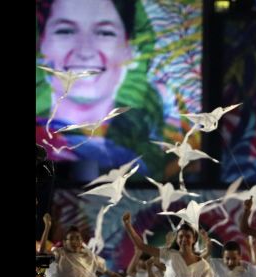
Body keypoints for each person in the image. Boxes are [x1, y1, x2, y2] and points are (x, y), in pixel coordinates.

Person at [35, 0, 171, 180]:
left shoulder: (170, 147)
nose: (85, 52)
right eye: (65, 31)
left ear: (129, 49)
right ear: (41, 44)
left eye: (104, 33)